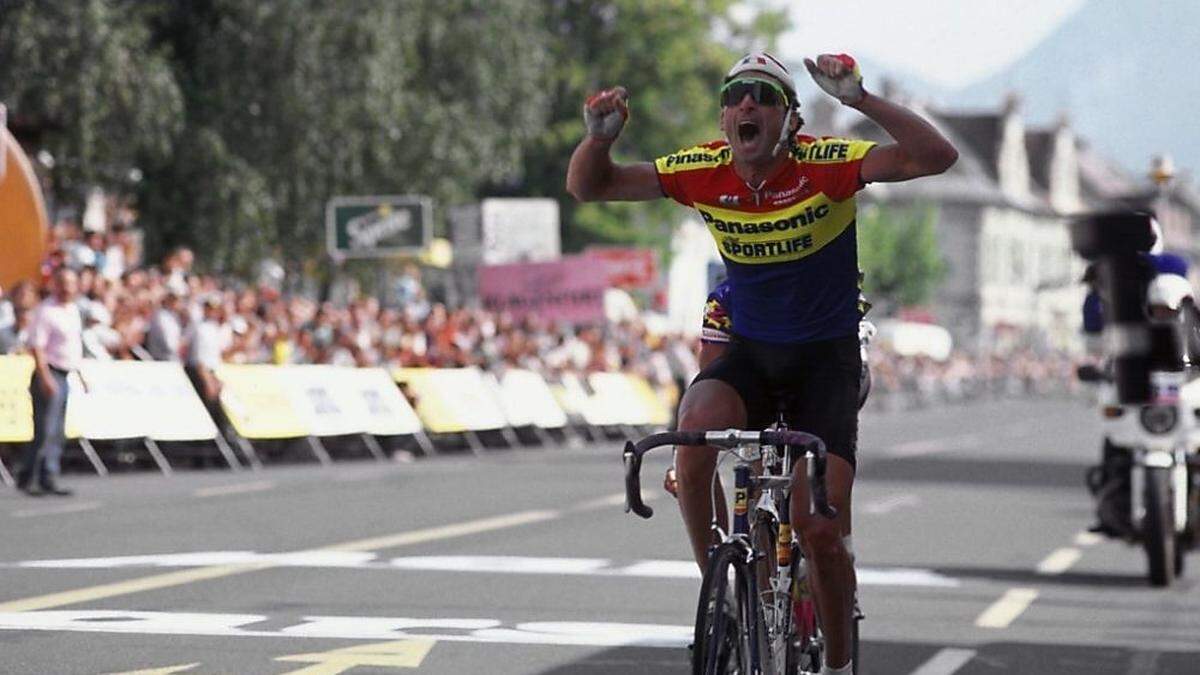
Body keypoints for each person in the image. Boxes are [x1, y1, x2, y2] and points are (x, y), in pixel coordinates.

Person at [567, 51, 956, 674]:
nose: (747, 102)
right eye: (736, 94)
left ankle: (835, 665)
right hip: (750, 352)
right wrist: (597, 141)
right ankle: (718, 589)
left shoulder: (826, 164)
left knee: (819, 529)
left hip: (823, 362)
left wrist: (862, 100)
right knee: (692, 439)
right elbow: (592, 186)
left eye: (764, 95)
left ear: (790, 120)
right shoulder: (701, 170)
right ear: (724, 119)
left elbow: (935, 157)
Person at [16, 266, 84, 497]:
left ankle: (48, 476)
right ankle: (29, 475)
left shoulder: (73, 310)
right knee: (45, 429)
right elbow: (37, 346)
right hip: (50, 373)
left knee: (58, 432)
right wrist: (45, 377)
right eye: (62, 282)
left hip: (66, 373)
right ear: (55, 284)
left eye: (71, 283)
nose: (66, 288)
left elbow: (74, 345)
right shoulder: (46, 311)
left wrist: (81, 374)